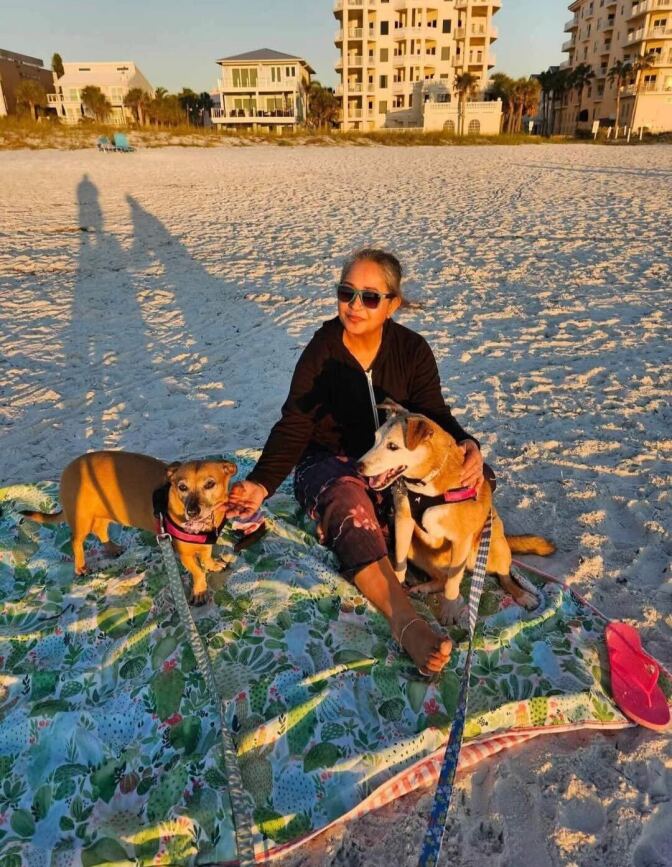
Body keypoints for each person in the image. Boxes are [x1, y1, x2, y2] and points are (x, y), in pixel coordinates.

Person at [225, 249, 484, 675]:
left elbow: (433, 413)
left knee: (477, 478)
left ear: (393, 304)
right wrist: (261, 483)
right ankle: (407, 624)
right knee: (350, 507)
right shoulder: (323, 351)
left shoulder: (412, 350)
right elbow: (295, 423)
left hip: (394, 466)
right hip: (332, 461)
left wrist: (465, 443)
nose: (354, 306)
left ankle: (427, 565)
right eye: (347, 293)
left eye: (369, 297)